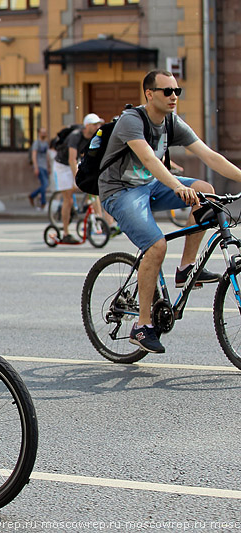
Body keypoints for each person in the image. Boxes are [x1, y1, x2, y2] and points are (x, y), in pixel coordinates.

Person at [99, 69, 241, 354]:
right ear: (149, 94)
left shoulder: (172, 123)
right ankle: (141, 326)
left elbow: (210, 156)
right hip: (120, 192)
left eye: (177, 91)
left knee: (206, 190)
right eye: (167, 91)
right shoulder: (131, 121)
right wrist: (177, 185)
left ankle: (186, 267)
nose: (174, 96)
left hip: (150, 187)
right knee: (156, 246)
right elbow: (150, 159)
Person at [52, 113, 104, 243]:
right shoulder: (75, 136)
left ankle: (98, 220)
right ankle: (65, 232)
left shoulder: (93, 137)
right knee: (68, 199)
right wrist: (78, 179)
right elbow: (71, 159)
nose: (98, 126)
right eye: (95, 124)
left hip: (76, 163)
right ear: (87, 126)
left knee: (93, 191)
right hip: (62, 165)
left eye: (99, 124)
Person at [29, 127, 50, 209]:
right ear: (39, 133)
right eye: (42, 132)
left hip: (45, 166)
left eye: (45, 132)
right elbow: (34, 155)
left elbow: (47, 155)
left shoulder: (46, 143)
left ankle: (32, 195)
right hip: (39, 166)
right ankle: (43, 202)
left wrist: (48, 167)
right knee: (45, 184)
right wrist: (36, 167)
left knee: (45, 185)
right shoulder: (36, 143)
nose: (44, 134)